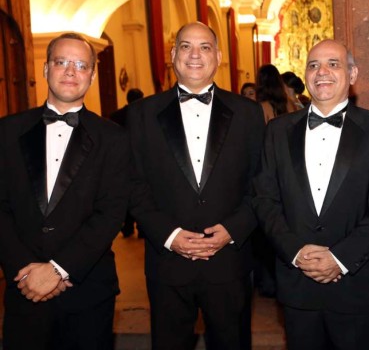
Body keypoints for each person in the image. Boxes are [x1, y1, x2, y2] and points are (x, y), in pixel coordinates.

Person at [128, 22, 264, 350]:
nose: (194, 54)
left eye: (204, 47)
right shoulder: (142, 113)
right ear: (173, 55)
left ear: (218, 56)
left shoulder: (248, 113)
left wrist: (233, 230)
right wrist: (170, 236)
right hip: (168, 264)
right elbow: (133, 184)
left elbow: (262, 183)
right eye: (186, 46)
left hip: (229, 262)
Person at [254, 39, 369, 350]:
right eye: (313, 65)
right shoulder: (277, 130)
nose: (322, 72)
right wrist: (295, 252)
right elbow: (264, 199)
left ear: (352, 74)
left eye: (333, 64)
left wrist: (339, 258)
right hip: (297, 287)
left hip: (359, 288)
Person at [0, 32, 129, 349]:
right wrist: (26, 273)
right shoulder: (6, 131)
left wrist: (58, 269)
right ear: (45, 69)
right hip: (23, 287)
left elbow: (111, 213)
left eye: (81, 65)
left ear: (92, 75)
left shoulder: (113, 138)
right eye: (61, 62)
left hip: (87, 290)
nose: (71, 71)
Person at [110, 87, 144, 238]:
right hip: (143, 160)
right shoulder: (147, 115)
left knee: (127, 195)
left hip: (123, 161)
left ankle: (128, 227)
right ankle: (143, 229)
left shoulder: (116, 116)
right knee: (143, 194)